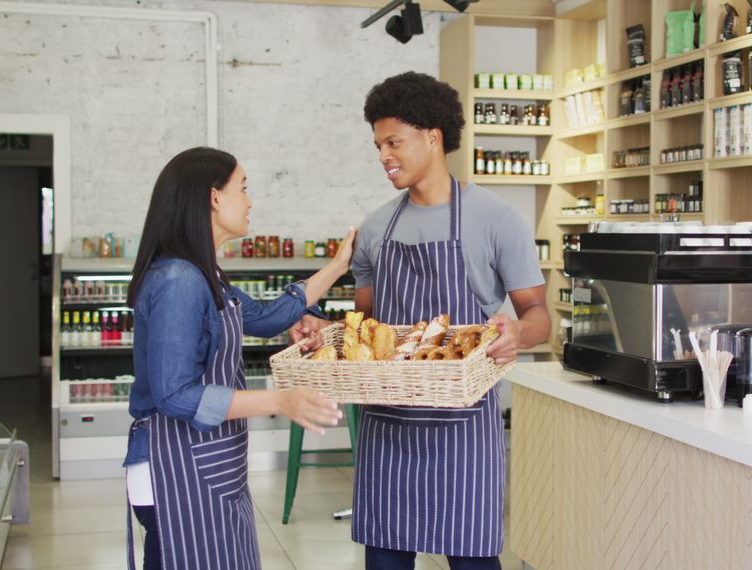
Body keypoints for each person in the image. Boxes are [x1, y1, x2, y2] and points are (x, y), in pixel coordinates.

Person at [291, 71, 551, 569]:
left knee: (472, 558)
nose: (383, 155)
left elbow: (538, 316)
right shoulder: (374, 227)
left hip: (464, 425)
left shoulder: (496, 219)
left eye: (394, 141)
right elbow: (365, 326)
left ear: (433, 137)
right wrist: (318, 328)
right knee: (385, 558)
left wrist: (518, 332)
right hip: (388, 424)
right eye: (378, 145)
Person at [124, 147, 354, 570]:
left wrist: (338, 267)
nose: (249, 201)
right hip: (175, 471)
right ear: (214, 198)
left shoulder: (205, 274)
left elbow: (265, 318)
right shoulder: (179, 280)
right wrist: (279, 401)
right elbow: (175, 394)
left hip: (206, 465)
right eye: (243, 189)